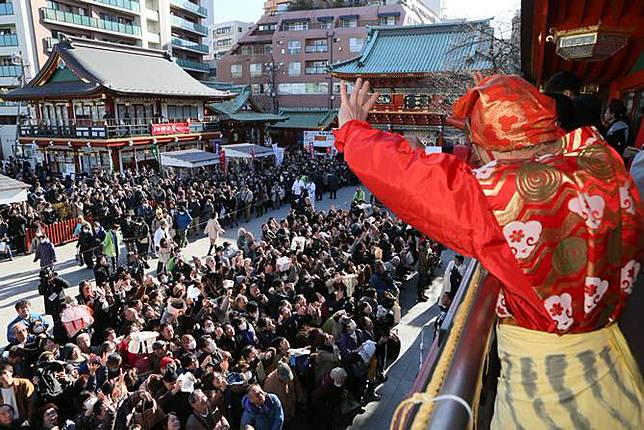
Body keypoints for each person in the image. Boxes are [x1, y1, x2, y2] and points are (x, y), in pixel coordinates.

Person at [334, 76, 643, 429]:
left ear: (492, 150)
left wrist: (354, 132)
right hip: (615, 366)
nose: (474, 155)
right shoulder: (599, 164)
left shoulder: (507, 199)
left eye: (475, 145)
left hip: (552, 394)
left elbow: (413, 181)